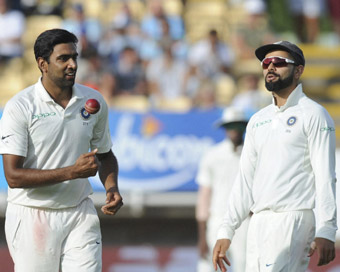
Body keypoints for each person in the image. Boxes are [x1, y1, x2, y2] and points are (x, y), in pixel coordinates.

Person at [0, 29, 123, 272]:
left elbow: (105, 154)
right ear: (42, 64)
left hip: (80, 211)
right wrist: (71, 172)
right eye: (63, 58)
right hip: (32, 214)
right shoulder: (20, 107)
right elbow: (13, 177)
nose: (72, 64)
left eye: (75, 57)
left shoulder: (93, 101)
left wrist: (112, 187)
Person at [212, 41, 337, 271]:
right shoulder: (258, 120)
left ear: (298, 70)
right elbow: (245, 181)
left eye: (279, 63)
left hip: (292, 219)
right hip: (258, 222)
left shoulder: (314, 114)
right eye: (266, 63)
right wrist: (226, 230)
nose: (270, 67)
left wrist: (327, 228)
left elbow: (325, 176)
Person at [196, 107, 249, 272]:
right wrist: (202, 236)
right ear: (225, 129)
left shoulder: (252, 154)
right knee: (209, 267)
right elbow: (204, 197)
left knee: (243, 266)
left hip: (244, 221)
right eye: (230, 126)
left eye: (238, 126)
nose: (234, 130)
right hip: (217, 220)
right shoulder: (213, 155)